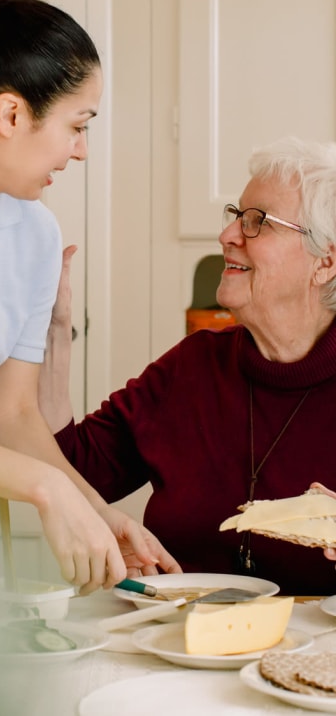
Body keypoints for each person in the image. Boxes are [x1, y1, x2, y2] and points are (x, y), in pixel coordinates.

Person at [0, 0, 179, 592]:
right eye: (77, 125)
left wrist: (97, 512)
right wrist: (46, 489)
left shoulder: (34, 235)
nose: (82, 149)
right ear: (12, 115)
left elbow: (12, 412)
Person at [41, 136, 336, 596]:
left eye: (258, 222)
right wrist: (55, 333)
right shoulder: (194, 366)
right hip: (180, 648)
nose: (228, 235)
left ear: (326, 261)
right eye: (236, 216)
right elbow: (73, 469)